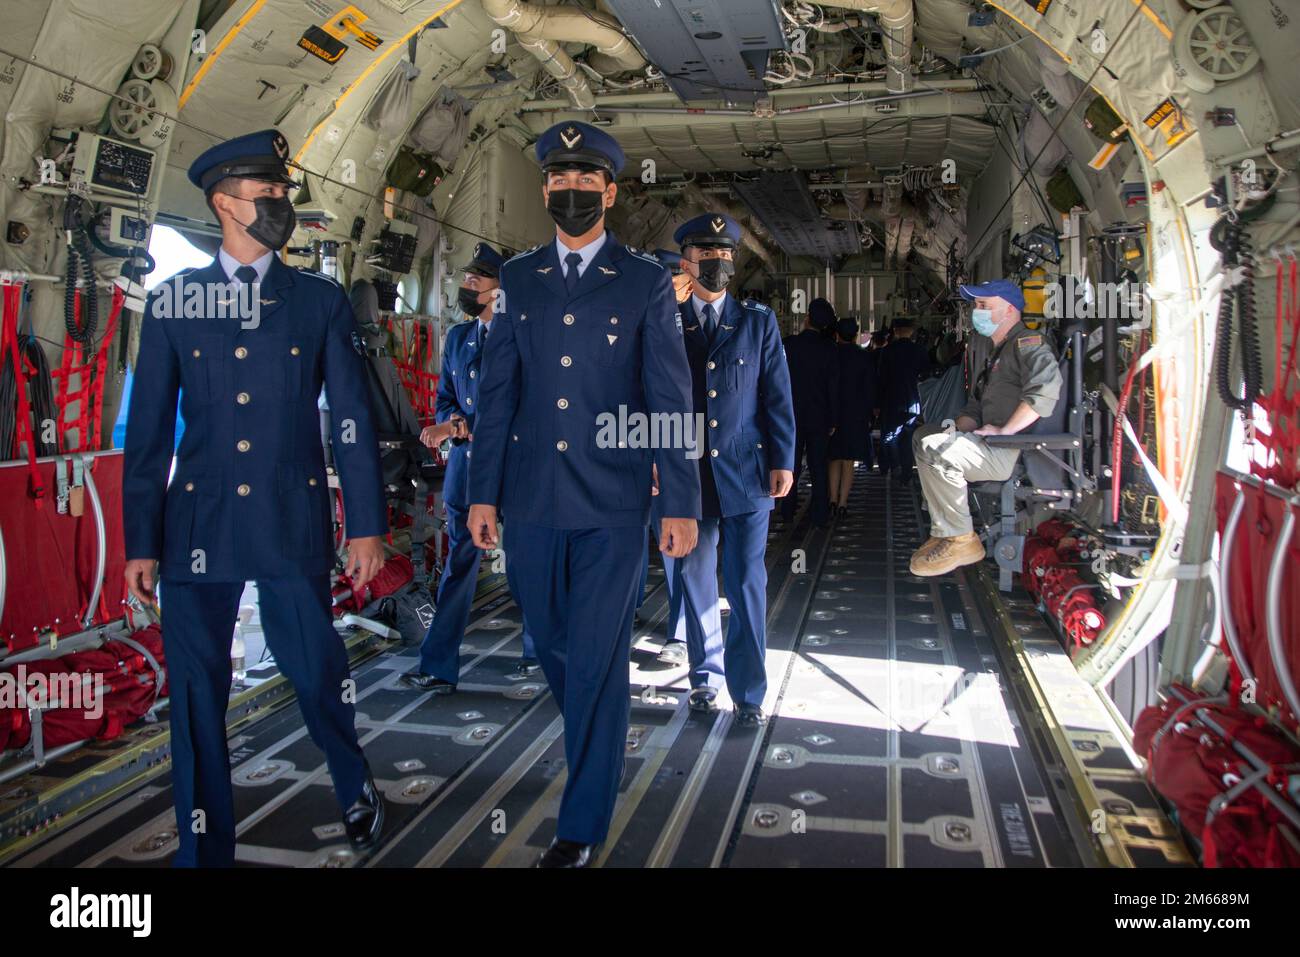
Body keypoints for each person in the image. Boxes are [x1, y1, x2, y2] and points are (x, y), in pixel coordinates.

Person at [122, 129, 387, 866]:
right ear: (223, 204)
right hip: (196, 525)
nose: (279, 205)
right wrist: (139, 540)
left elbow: (353, 422)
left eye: (281, 192)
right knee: (197, 697)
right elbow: (147, 433)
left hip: (287, 519)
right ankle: (205, 848)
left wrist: (365, 526)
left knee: (316, 670)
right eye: (265, 194)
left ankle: (353, 777)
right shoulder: (175, 302)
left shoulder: (318, 302)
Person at [465, 121, 701, 868]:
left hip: (613, 502)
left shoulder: (641, 282)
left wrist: (681, 502)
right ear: (544, 190)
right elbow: (499, 391)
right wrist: (483, 491)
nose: (571, 193)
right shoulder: (521, 279)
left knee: (596, 649)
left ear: (611, 192)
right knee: (554, 642)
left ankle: (582, 819)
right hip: (533, 498)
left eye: (585, 182)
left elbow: (671, 394)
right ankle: (597, 737)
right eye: (559, 182)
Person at [657, 213, 795, 720]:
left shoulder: (758, 322)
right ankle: (703, 676)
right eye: (705, 257)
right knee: (694, 582)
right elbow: (643, 392)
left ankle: (750, 693)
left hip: (747, 474)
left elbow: (776, 397)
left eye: (723, 258)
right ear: (684, 264)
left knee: (745, 583)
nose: (715, 266)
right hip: (685, 478)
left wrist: (784, 459)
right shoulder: (663, 320)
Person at [398, 243, 539, 694]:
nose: (467, 284)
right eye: (467, 277)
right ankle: (437, 663)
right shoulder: (458, 338)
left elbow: (527, 407)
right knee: (460, 567)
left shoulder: (524, 337)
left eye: (478, 278)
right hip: (467, 472)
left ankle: (540, 652)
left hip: (514, 470)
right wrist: (451, 423)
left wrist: (460, 426)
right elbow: (445, 398)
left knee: (523, 567)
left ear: (501, 290)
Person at [909, 280, 1062, 577]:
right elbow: (976, 408)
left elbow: (1045, 389)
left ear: (1008, 311)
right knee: (924, 436)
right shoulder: (997, 353)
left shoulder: (1028, 344)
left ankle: (962, 539)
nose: (976, 312)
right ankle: (944, 532)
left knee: (934, 449)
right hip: (991, 443)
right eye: (976, 306)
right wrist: (956, 431)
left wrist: (1006, 432)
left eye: (983, 306)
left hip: (1010, 450)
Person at [780, 298, 839, 527]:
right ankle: (820, 514)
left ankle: (787, 510)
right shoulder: (830, 349)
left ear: (806, 319)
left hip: (790, 416)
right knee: (818, 467)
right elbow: (834, 387)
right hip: (820, 417)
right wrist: (833, 419)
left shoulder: (789, 345)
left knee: (790, 465)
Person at [827, 314, 877, 517]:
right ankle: (843, 503)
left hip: (832, 413)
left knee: (833, 457)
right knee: (848, 460)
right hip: (855, 414)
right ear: (855, 334)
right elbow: (870, 387)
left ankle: (831, 498)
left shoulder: (829, 354)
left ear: (836, 334)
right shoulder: (863, 356)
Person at [877, 318, 931, 485]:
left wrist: (877, 404)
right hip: (913, 401)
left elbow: (881, 379)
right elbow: (927, 375)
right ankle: (907, 470)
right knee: (907, 437)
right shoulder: (920, 350)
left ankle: (895, 465)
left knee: (890, 436)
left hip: (891, 400)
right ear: (911, 331)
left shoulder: (886, 352)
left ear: (896, 331)